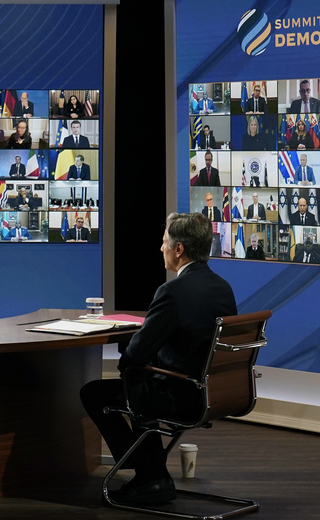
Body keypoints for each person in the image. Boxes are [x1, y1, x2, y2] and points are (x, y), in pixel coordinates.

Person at [80, 213, 237, 505]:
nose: (160, 248)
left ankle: (149, 474)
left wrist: (127, 355)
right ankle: (152, 475)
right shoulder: (222, 287)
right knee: (142, 383)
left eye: (164, 242)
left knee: (97, 392)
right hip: (214, 391)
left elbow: (134, 356)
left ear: (179, 249)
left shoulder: (173, 291)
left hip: (181, 395)